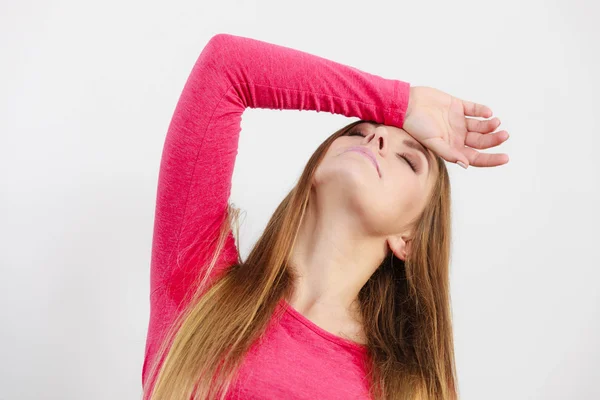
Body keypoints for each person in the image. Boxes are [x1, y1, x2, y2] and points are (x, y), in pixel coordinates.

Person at [141, 33, 509, 400]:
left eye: (407, 159)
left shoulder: (403, 390)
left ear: (408, 239)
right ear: (315, 168)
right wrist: (401, 104)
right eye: (359, 131)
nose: (377, 138)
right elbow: (227, 66)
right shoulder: (199, 282)